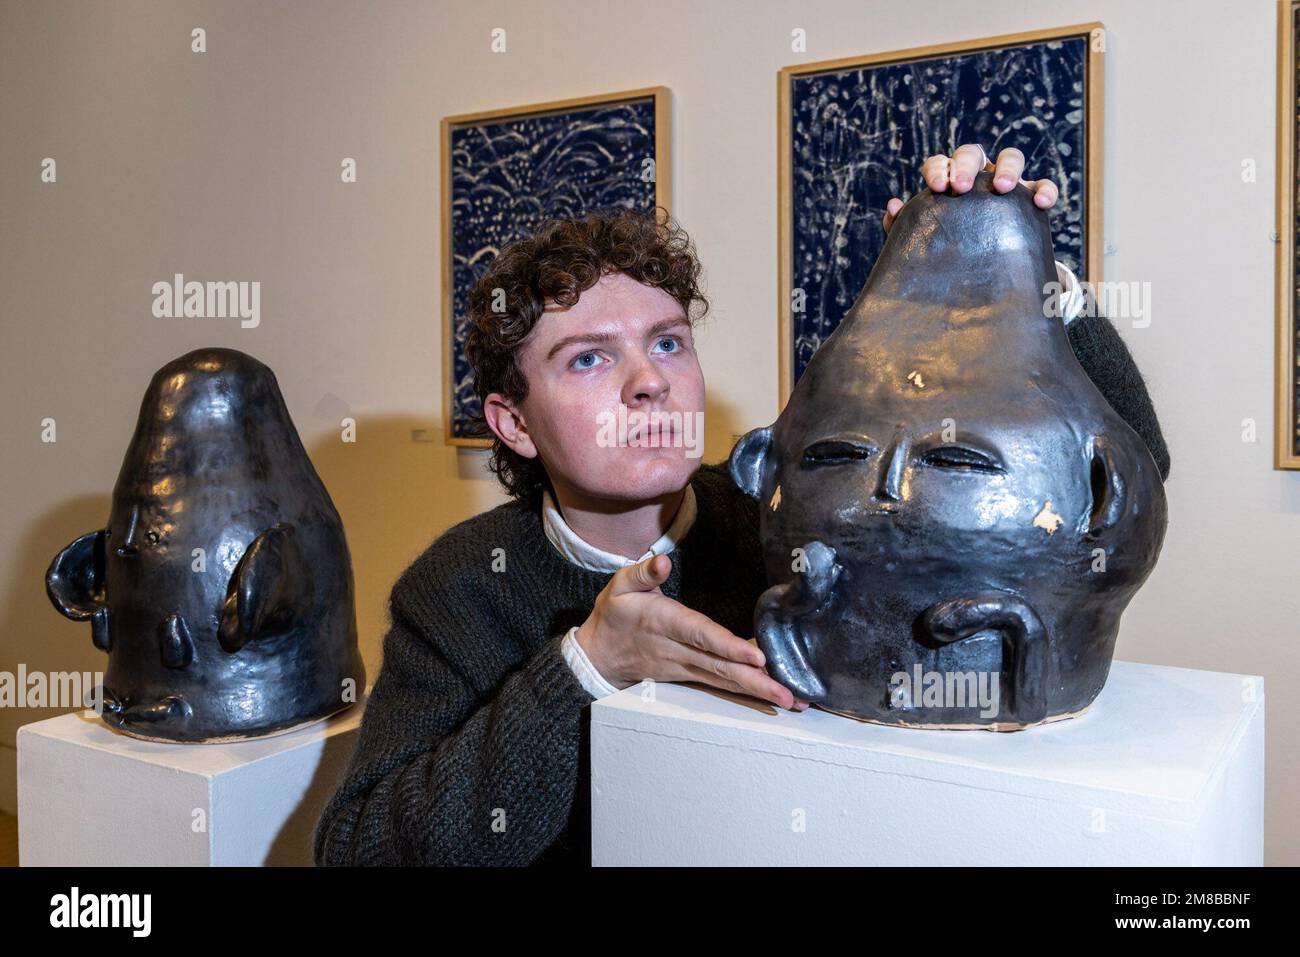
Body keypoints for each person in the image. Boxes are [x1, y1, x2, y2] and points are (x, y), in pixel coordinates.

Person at [313, 145, 1170, 866]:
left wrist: (1025, 286)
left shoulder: (787, 512)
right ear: (514, 423)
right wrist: (585, 667)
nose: (650, 381)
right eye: (587, 360)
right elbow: (358, 848)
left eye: (667, 341)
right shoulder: (463, 586)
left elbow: (1129, 474)